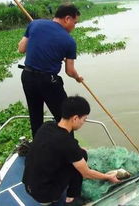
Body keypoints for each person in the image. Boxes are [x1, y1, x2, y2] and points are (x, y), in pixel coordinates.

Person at [22, 95, 120, 206]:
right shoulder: (67, 143)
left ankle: (67, 194)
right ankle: (71, 198)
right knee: (81, 159)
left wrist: (77, 150)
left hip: (28, 185)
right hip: (45, 195)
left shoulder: (47, 126)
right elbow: (87, 173)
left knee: (78, 154)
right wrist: (107, 177)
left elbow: (61, 147)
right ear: (75, 118)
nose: (83, 123)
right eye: (84, 120)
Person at [18, 4, 83, 138]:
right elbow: (70, 71)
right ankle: (70, 152)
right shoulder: (69, 41)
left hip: (27, 76)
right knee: (67, 118)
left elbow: (21, 48)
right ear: (67, 18)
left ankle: (38, 148)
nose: (74, 27)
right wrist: (78, 78)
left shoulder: (35, 24)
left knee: (35, 116)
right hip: (47, 81)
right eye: (75, 23)